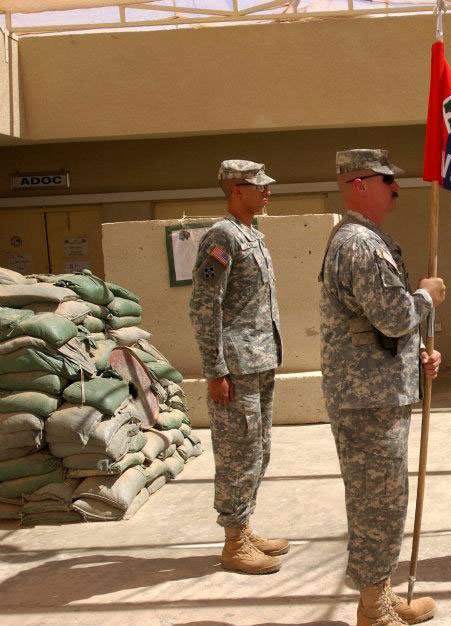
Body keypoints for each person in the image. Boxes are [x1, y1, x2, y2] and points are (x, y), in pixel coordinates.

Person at [319, 148, 446, 626]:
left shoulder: (368, 240)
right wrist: (426, 296)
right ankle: (373, 608)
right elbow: (393, 316)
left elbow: (378, 327)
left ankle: (381, 593)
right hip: (367, 399)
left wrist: (416, 356)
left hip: (376, 392)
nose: (396, 188)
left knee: (384, 498)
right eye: (386, 180)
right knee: (378, 502)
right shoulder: (360, 244)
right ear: (358, 184)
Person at [188, 159, 286, 575]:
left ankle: (243, 527)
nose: (267, 191)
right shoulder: (222, 236)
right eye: (259, 186)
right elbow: (204, 305)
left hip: (260, 359)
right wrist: (215, 369)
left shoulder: (252, 235)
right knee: (237, 454)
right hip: (236, 365)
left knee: (258, 450)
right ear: (235, 191)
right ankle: (233, 542)